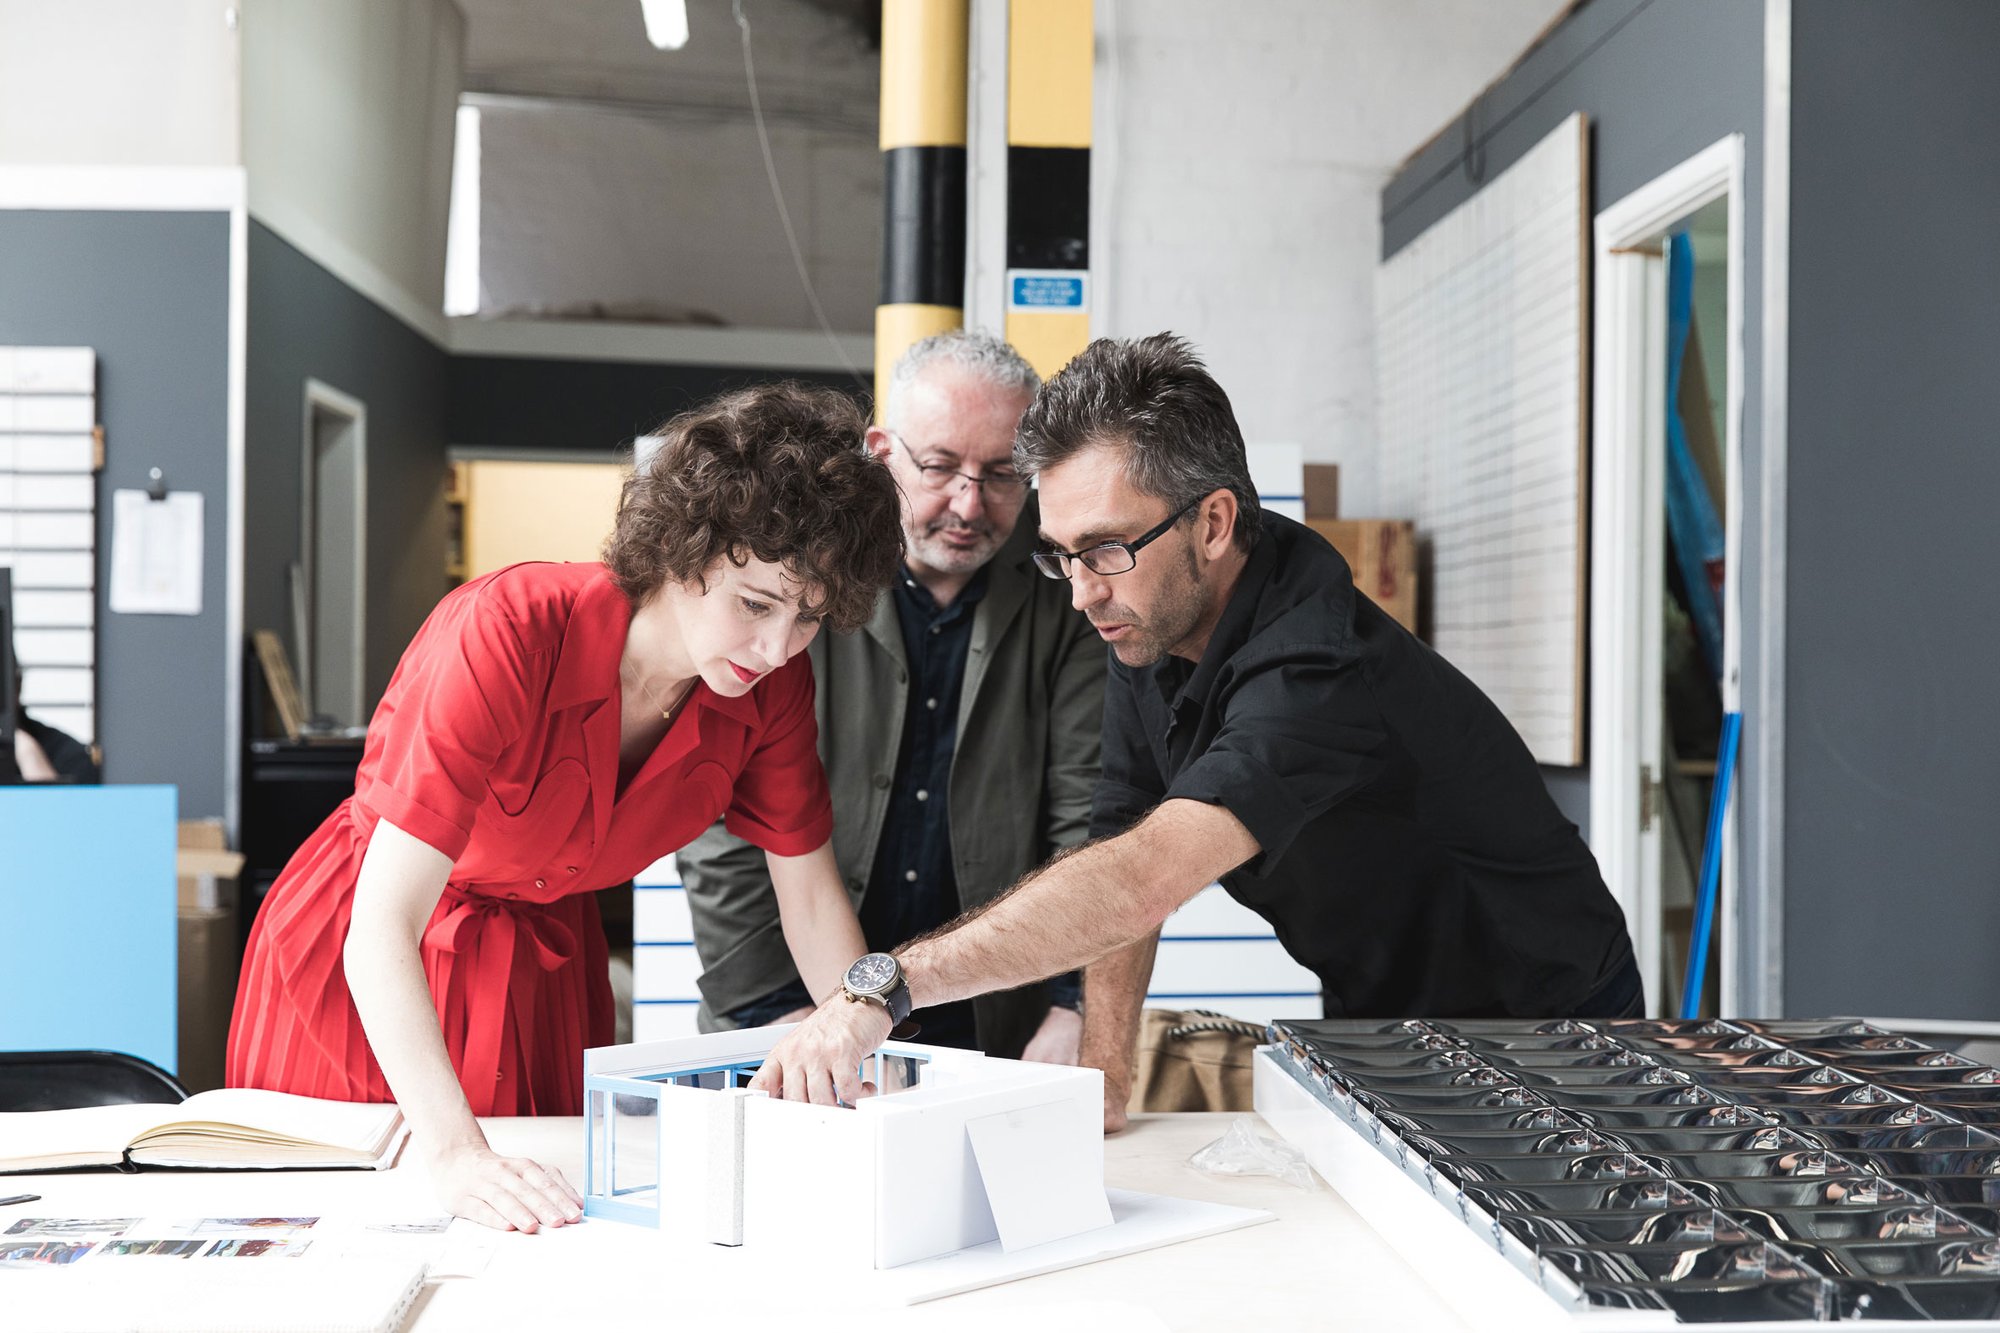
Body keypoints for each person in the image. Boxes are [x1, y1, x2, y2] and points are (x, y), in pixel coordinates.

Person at [749, 334, 1641, 1125]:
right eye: (1062, 555)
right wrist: (1104, 1073)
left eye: (1105, 549)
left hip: (1544, 1029)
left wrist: (886, 987)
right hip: (1381, 1016)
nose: (1082, 591)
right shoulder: (1154, 614)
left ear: (1213, 523)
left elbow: (1142, 879)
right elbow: (1119, 829)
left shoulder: (1315, 672)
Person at [227, 383, 903, 1230]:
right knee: (346, 1228)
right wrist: (455, 1151)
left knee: (541, 1229)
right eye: (756, 603)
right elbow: (382, 923)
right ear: (685, 549)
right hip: (374, 958)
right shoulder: (507, 629)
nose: (776, 648)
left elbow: (810, 898)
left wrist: (860, 1046)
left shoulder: (774, 689)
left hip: (542, 974)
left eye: (808, 618)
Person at [679, 332, 1105, 1059]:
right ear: (881, 452)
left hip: (997, 1019)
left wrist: (1074, 1003)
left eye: (1004, 474)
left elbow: (1088, 815)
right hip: (792, 1005)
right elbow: (720, 820)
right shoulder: (796, 576)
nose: (970, 503)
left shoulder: (1068, 588)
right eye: (939, 467)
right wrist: (773, 1006)